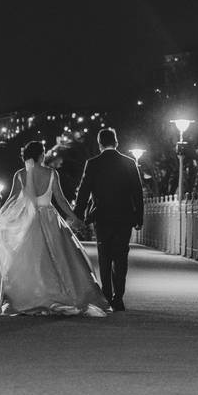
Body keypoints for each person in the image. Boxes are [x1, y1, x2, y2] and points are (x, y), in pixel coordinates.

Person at [0, 141, 110, 317]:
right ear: (42, 155)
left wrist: (3, 218)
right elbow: (61, 200)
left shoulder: (20, 174)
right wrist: (75, 218)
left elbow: (12, 200)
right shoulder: (51, 173)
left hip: (30, 221)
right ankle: (61, 293)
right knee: (61, 258)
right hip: (50, 218)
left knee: (29, 259)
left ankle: (32, 295)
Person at [73, 127, 144, 311]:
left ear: (100, 144)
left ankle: (106, 296)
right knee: (121, 257)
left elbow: (84, 191)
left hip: (102, 216)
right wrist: (139, 217)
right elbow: (138, 192)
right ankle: (118, 298)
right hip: (124, 217)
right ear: (116, 142)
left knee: (104, 256)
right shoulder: (129, 163)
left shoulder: (93, 163)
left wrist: (78, 215)